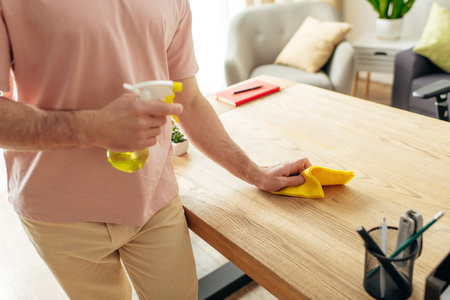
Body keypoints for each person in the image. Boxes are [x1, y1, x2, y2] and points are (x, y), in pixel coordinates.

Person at [0, 1, 311, 299]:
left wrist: (253, 171)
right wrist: (94, 127)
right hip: (58, 214)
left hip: (154, 200)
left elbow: (188, 101)